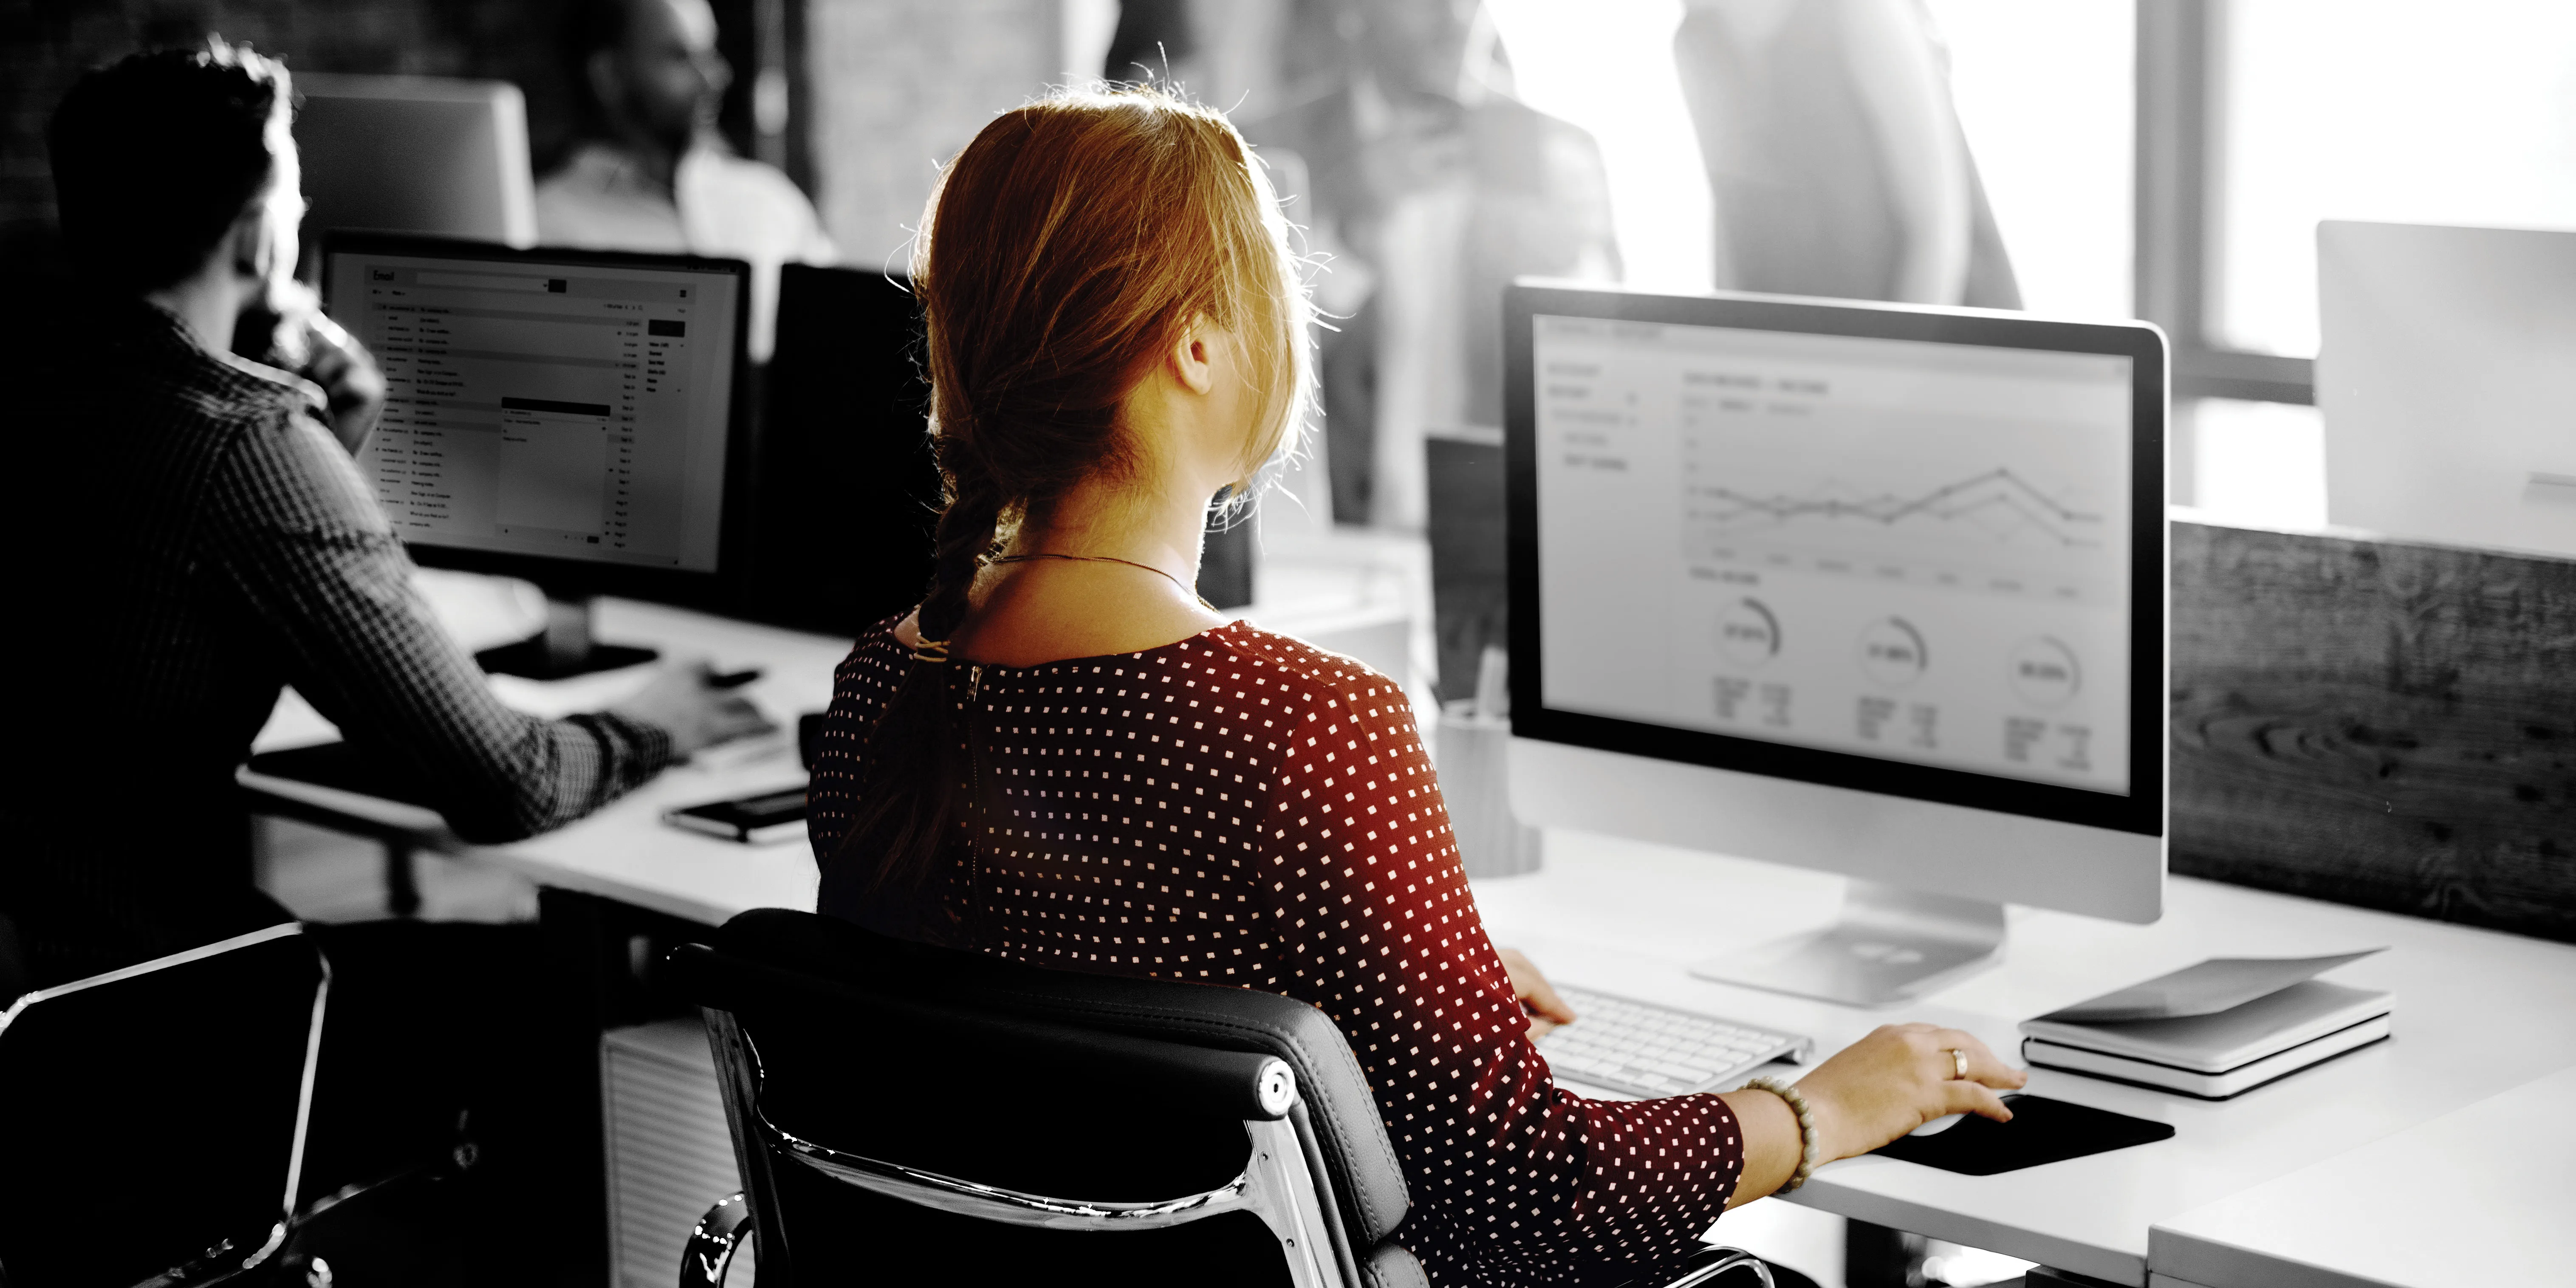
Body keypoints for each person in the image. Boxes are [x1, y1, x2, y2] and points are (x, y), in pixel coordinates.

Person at [806, 86, 2024, 1287]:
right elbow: (1524, 1193)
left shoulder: (881, 689)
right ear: (1195, 343)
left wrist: (1401, 962)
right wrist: (1814, 1108)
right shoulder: (1303, 728)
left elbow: (1076, 997)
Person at [0, 42, 765, 1278]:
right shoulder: (240, 443)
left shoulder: (38, 379)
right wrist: (662, 716)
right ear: (259, 233)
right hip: (160, 1017)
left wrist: (328, 439)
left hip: (42, 1000)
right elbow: (507, 777)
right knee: (544, 998)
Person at [1240, 0, 1621, 530]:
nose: (1456, 16)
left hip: (1498, 534)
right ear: (1355, 12)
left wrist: (1570, 272)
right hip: (1324, 541)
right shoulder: (1263, 150)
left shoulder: (1560, 152)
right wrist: (1346, 232)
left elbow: (1608, 394)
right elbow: (1235, 375)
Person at [538, 0, 837, 361]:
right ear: (610, 76)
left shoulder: (770, 200)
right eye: (680, 57)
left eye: (710, 53)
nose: (714, 78)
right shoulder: (544, 226)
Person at [1674, 0, 2020, 308]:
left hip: (1937, 324)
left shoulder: (1860, 9)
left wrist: (1887, 367)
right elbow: (1735, 226)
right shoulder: (1697, 39)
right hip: (1814, 345)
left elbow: (1936, 227)